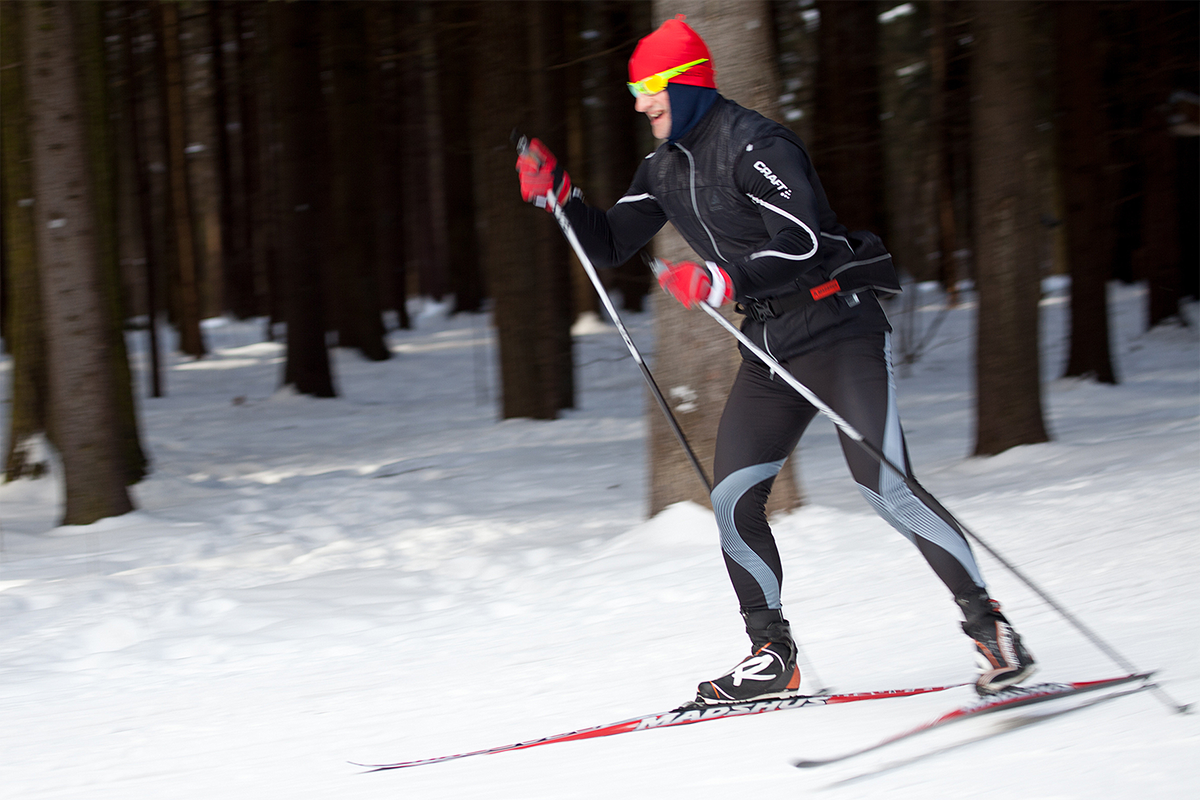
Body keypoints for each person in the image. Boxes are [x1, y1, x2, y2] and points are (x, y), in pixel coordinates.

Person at [516, 15, 1035, 703]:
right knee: (731, 498)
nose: (639, 102)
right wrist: (564, 199)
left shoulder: (756, 144)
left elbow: (805, 244)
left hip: (837, 330)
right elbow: (611, 242)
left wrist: (722, 281)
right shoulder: (663, 167)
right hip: (769, 347)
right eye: (634, 88)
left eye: (649, 86)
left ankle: (990, 627)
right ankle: (771, 654)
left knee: (886, 486)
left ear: (688, 83)